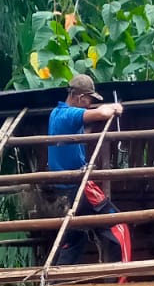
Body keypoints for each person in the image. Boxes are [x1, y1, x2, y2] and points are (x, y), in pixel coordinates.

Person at [47, 73, 131, 268]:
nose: (89, 104)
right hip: (77, 186)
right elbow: (102, 113)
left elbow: (84, 129)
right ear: (79, 97)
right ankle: (119, 273)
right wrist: (115, 108)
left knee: (76, 235)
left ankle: (58, 283)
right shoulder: (67, 114)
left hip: (64, 189)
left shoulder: (57, 115)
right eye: (88, 100)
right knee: (118, 224)